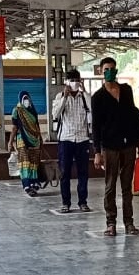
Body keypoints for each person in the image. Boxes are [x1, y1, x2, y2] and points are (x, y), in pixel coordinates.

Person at [92, 57, 139, 237]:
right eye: (106, 69)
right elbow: (96, 126)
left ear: (116, 70)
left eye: (112, 69)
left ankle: (129, 223)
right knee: (110, 185)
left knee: (126, 186)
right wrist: (97, 152)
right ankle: (110, 222)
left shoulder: (126, 90)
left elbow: (135, 116)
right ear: (101, 71)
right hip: (110, 146)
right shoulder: (98, 97)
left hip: (128, 144)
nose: (109, 72)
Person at [52, 69, 93, 214]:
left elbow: (92, 109)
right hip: (66, 139)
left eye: (77, 80)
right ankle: (66, 203)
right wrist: (64, 96)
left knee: (83, 172)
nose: (75, 83)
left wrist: (85, 91)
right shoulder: (60, 96)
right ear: (67, 82)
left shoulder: (84, 97)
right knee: (65, 173)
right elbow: (56, 114)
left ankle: (83, 202)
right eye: (72, 80)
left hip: (82, 139)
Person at [9, 91, 43, 196]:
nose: (27, 101)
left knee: (34, 164)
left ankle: (34, 185)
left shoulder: (33, 111)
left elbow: (37, 126)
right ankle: (27, 186)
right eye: (24, 99)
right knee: (25, 164)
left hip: (35, 141)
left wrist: (40, 139)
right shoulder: (17, 110)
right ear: (20, 100)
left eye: (27, 98)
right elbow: (14, 127)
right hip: (22, 141)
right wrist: (10, 141)